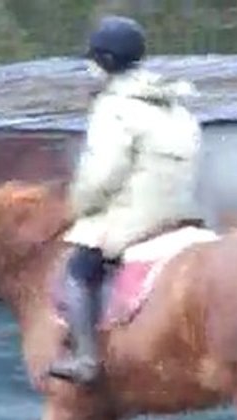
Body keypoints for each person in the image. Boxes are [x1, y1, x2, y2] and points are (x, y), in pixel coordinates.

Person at [48, 15, 203, 385]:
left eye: (93, 60)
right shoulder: (174, 105)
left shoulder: (114, 107)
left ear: (105, 61)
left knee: (78, 269)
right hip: (180, 216)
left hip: (136, 218)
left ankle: (86, 360)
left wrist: (76, 206)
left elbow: (102, 175)